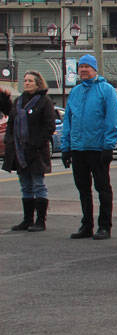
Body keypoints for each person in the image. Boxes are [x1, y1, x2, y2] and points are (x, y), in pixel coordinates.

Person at [60, 53, 117, 240]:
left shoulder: (106, 90)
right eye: (81, 67)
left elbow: (112, 119)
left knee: (103, 188)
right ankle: (86, 225)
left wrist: (108, 145)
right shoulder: (75, 92)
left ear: (95, 69)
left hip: (98, 148)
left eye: (87, 67)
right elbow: (68, 121)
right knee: (83, 188)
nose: (84, 70)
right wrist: (66, 147)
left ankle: (104, 226)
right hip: (78, 149)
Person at [1, 71, 57, 232]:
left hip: (36, 152)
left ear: (38, 83)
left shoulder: (44, 102)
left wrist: (36, 144)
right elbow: (11, 122)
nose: (27, 83)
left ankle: (40, 221)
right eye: (25, 80)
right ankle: (27, 219)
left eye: (30, 81)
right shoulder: (19, 101)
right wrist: (10, 141)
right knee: (25, 186)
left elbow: (49, 126)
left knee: (38, 185)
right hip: (19, 151)